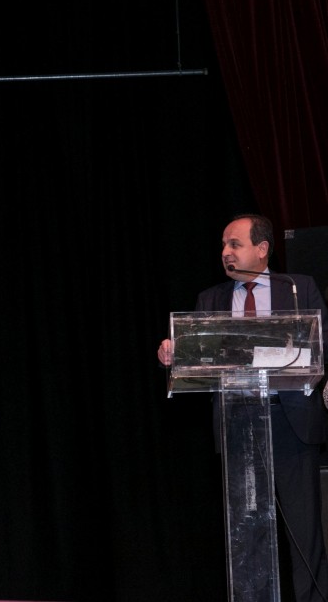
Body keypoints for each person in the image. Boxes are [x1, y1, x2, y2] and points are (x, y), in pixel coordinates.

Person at [157, 213, 328, 602]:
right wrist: (172, 352)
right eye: (223, 245)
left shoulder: (298, 288)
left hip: (291, 423)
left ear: (262, 248)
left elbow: (323, 346)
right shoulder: (211, 299)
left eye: (234, 244)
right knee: (248, 533)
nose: (225, 252)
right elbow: (195, 356)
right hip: (240, 426)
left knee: (305, 534)